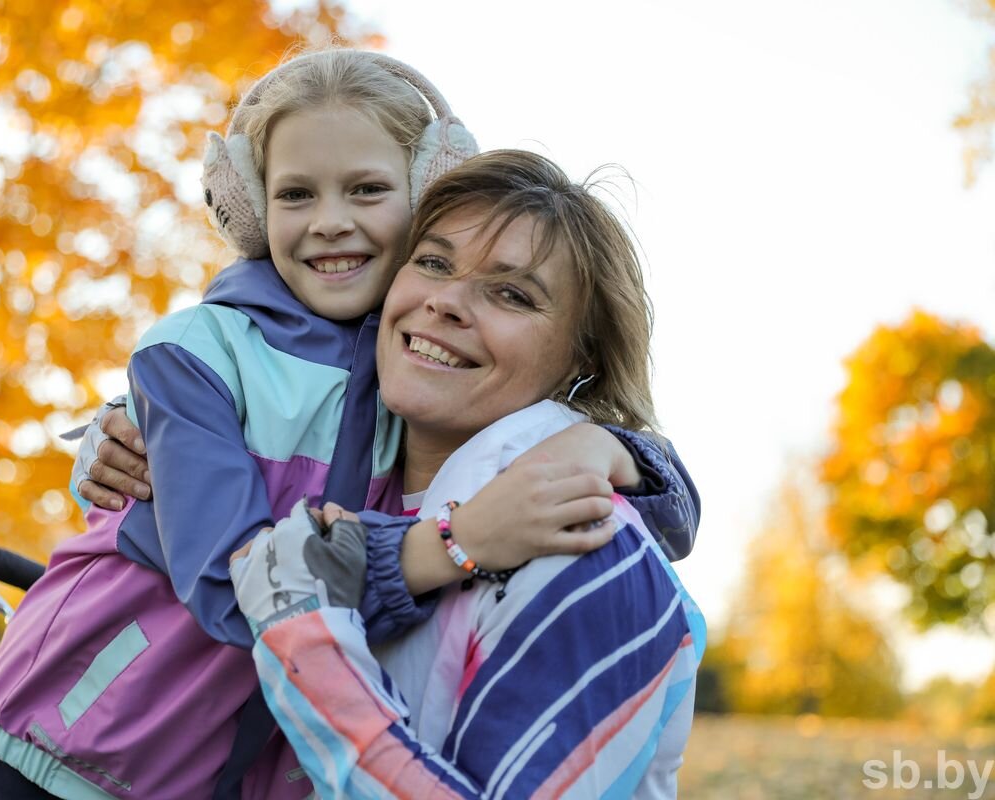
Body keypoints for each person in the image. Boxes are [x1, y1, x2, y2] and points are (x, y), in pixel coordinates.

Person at [0, 49, 698, 800]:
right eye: (295, 194)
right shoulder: (198, 357)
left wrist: (613, 448)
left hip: (227, 762)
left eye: (366, 190)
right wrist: (455, 546)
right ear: (252, 209)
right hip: (79, 740)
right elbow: (239, 587)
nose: (330, 223)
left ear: (421, 195)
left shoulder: (409, 374)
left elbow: (665, 515)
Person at [229, 149, 705, 798]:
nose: (447, 302)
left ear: (580, 357)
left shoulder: (584, 546)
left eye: (511, 293)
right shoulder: (344, 487)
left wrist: (307, 641)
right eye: (431, 263)